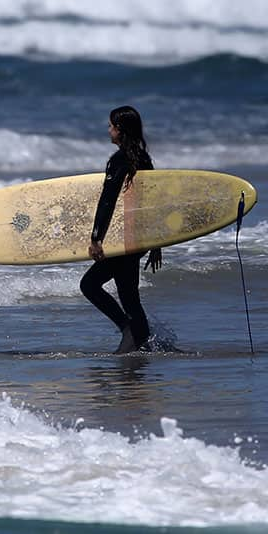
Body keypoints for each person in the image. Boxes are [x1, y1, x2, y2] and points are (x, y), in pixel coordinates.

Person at [80, 105, 162, 354]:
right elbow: (152, 203)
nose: (108, 130)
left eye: (111, 126)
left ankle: (130, 332)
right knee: (129, 295)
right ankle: (142, 340)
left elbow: (107, 200)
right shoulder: (143, 158)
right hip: (136, 238)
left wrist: (96, 238)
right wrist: (156, 241)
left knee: (90, 285)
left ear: (120, 130)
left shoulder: (119, 161)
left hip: (126, 239)